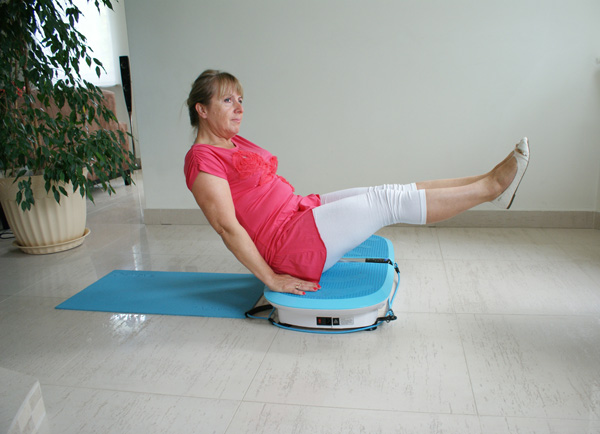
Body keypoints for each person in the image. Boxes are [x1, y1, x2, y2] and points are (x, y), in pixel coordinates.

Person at [184, 70, 529, 296]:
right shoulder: (202, 159)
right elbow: (227, 227)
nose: (239, 108)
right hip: (287, 242)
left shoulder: (231, 142)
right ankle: (492, 189)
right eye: (228, 100)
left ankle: (488, 180)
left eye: (241, 100)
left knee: (391, 192)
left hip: (300, 210)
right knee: (388, 204)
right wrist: (271, 279)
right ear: (202, 109)